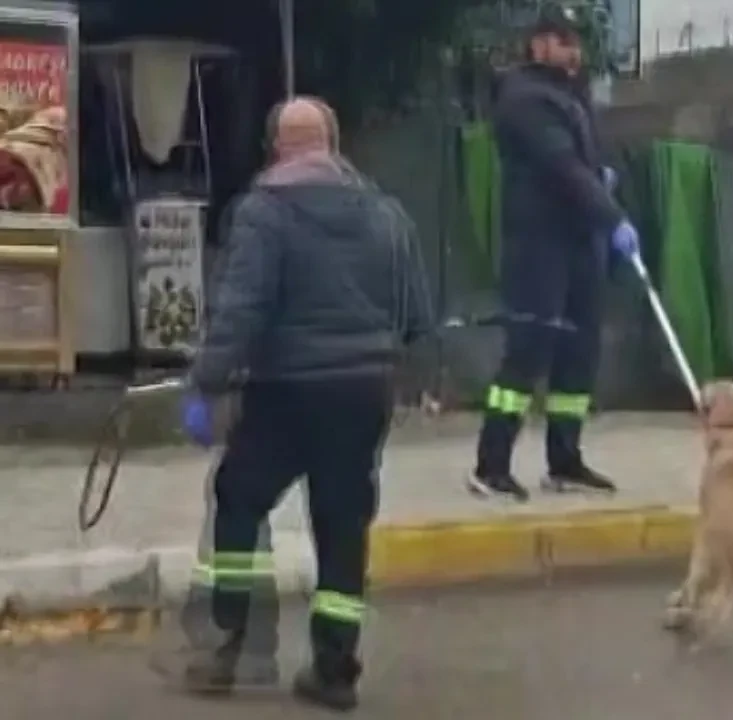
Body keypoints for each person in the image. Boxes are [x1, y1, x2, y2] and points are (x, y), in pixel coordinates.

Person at [177, 96, 432, 712]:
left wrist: (206, 382)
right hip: (364, 392)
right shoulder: (387, 212)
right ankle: (335, 670)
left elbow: (242, 310)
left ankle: (226, 645)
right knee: (343, 526)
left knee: (240, 496)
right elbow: (417, 314)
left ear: (275, 149)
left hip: (287, 391)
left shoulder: (263, 213)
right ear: (334, 145)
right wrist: (415, 377)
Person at [470, 4, 641, 502]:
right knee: (529, 350)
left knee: (579, 353)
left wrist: (605, 180)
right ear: (539, 43)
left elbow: (589, 160)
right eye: (564, 41)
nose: (574, 52)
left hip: (579, 242)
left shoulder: (572, 94)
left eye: (577, 42)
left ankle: (565, 460)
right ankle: (491, 465)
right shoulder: (523, 97)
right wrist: (611, 216)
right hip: (538, 243)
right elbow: (561, 166)